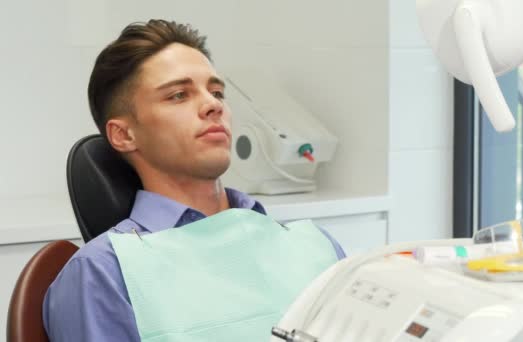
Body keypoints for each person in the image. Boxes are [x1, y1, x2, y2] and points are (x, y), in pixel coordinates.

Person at [43, 19, 344, 341]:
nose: (213, 105)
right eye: (178, 95)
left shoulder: (315, 245)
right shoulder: (103, 272)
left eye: (217, 92)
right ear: (124, 134)